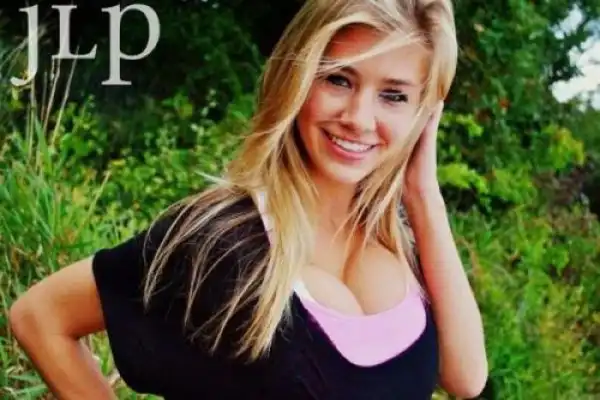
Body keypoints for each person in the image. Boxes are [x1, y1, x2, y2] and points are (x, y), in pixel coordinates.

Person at [9, 0, 488, 398]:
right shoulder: (219, 236)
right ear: (297, 79)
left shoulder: (403, 247)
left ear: (424, 114)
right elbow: (40, 316)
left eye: (394, 96)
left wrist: (424, 195)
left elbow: (466, 379)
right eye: (338, 79)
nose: (359, 118)